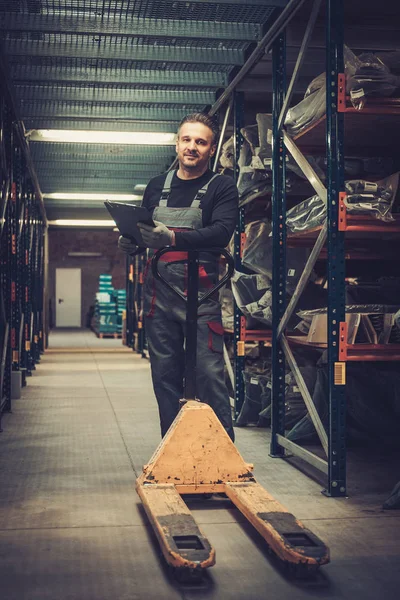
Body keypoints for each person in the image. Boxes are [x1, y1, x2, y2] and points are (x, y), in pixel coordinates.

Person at [118, 113, 238, 441]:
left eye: (201, 142)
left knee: (210, 375)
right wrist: (131, 241)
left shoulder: (222, 187)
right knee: (165, 378)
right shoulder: (157, 187)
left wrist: (172, 238)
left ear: (211, 149)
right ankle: (174, 454)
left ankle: (223, 456)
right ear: (177, 143)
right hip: (159, 297)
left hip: (201, 298)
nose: (192, 147)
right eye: (187, 140)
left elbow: (221, 232)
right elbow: (146, 233)